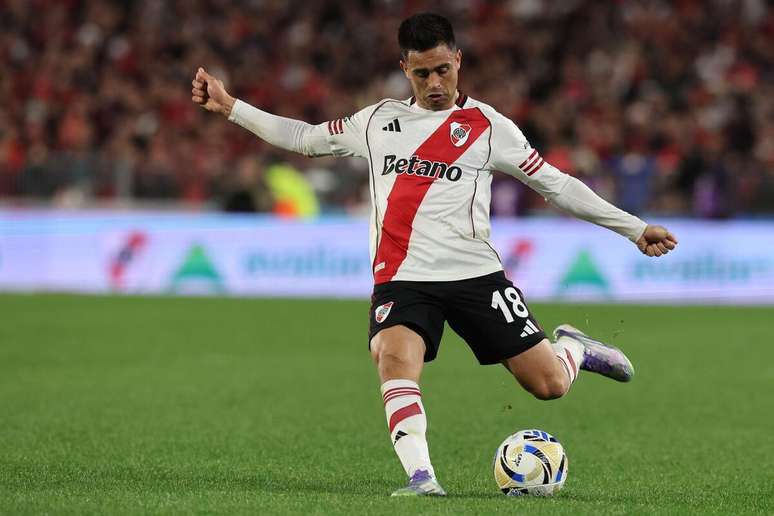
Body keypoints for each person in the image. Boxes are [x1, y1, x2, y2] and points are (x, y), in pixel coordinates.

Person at [191, 12, 678, 497]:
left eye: (443, 69)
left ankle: (574, 348)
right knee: (393, 357)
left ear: (458, 60)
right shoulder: (377, 121)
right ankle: (422, 477)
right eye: (422, 73)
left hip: (476, 277)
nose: (435, 82)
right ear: (405, 68)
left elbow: (556, 185)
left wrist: (634, 229)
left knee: (548, 384)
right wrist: (231, 106)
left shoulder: (490, 127)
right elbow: (304, 138)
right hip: (403, 279)